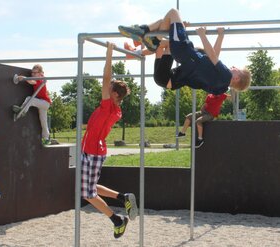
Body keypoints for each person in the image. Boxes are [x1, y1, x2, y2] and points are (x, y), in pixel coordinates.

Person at [118, 8, 251, 95]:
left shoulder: (226, 76)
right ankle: (146, 41)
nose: (233, 67)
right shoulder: (219, 88)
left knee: (173, 13)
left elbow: (213, 56)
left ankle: (143, 33)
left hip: (184, 54)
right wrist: (220, 36)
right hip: (184, 56)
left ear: (236, 77)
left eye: (236, 69)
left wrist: (202, 35)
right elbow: (213, 57)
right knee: (163, 24)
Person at [81, 42, 137, 239]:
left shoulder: (108, 107)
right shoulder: (114, 108)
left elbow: (106, 77)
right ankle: (123, 198)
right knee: (91, 188)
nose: (106, 87)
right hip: (90, 151)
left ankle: (117, 220)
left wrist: (109, 53)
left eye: (109, 87)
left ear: (114, 94)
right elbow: (107, 81)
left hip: (93, 152)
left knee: (87, 194)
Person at [12, 64, 52, 145]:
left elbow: (31, 81)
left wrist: (23, 78)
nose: (33, 74)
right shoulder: (41, 78)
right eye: (32, 73)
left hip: (45, 103)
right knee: (43, 121)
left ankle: (23, 110)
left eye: (35, 73)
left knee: (30, 99)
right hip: (42, 103)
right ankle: (47, 138)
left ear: (40, 73)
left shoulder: (39, 79)